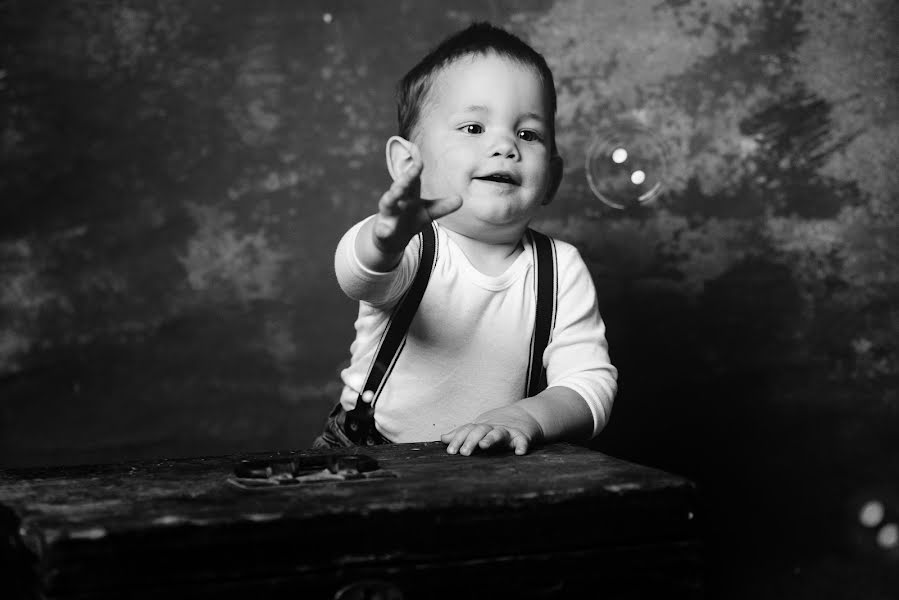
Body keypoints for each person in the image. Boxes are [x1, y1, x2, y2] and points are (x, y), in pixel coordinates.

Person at [314, 22, 617, 456]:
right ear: (407, 164)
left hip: (488, 462)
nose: (504, 146)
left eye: (528, 133)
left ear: (551, 177)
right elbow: (359, 277)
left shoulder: (560, 267)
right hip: (367, 456)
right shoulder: (414, 247)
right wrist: (382, 241)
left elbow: (589, 383)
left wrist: (525, 417)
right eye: (473, 128)